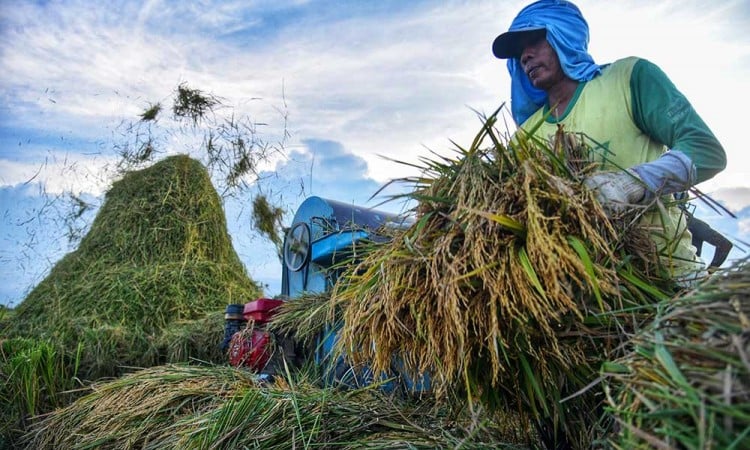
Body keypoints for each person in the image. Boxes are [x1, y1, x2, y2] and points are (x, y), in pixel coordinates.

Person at [491, 0, 727, 287]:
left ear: (564, 34)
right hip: (585, 304)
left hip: (671, 281)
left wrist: (631, 184)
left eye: (535, 41)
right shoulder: (524, 138)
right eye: (519, 52)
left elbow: (706, 150)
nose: (525, 56)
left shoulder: (628, 80)